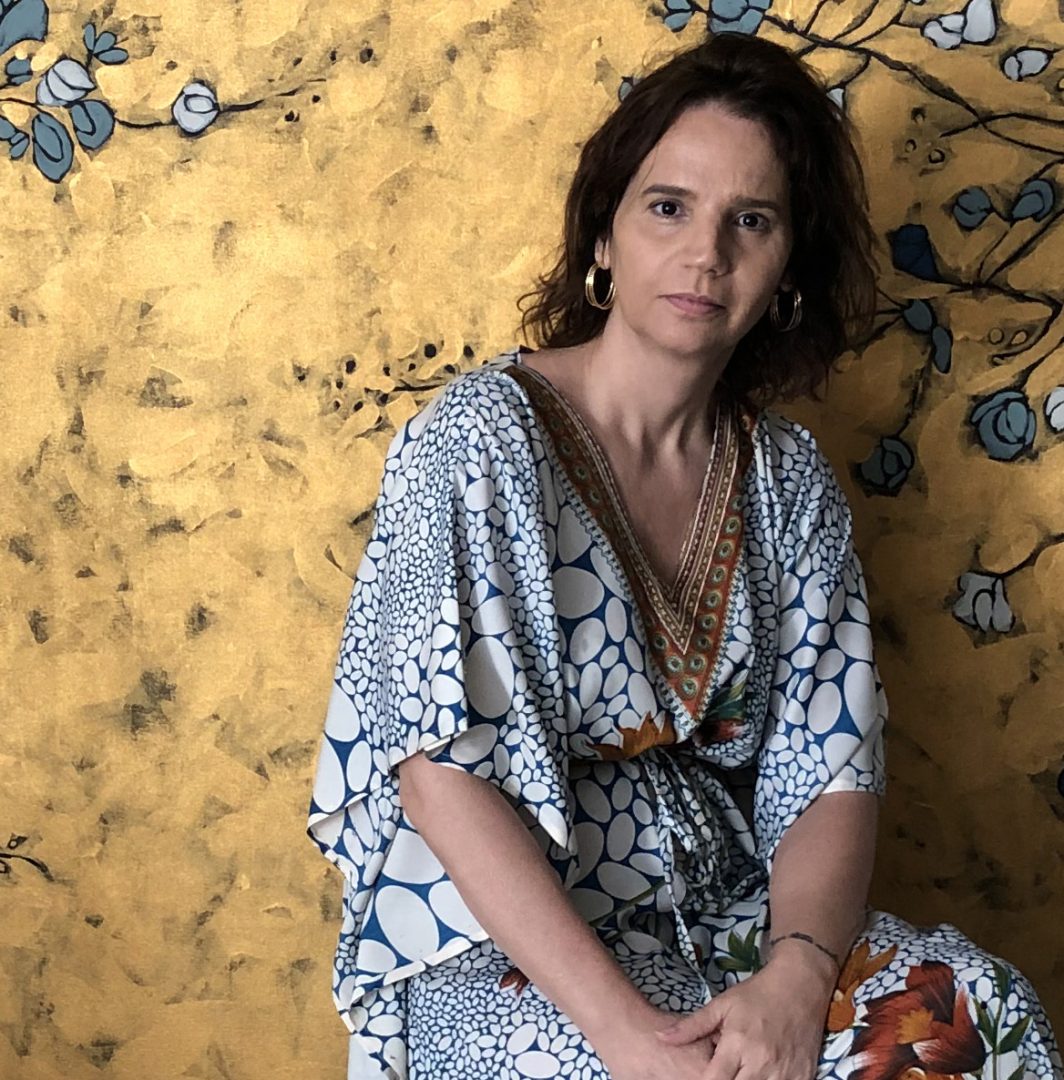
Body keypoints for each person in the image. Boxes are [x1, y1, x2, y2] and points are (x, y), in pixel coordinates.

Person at [307, 32, 1063, 1080]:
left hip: (727, 913)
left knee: (983, 1020)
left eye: (750, 220)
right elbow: (440, 781)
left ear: (786, 266)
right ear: (603, 235)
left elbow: (831, 771)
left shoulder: (785, 477)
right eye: (668, 206)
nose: (706, 252)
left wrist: (795, 980)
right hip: (502, 942)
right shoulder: (477, 440)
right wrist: (622, 1035)